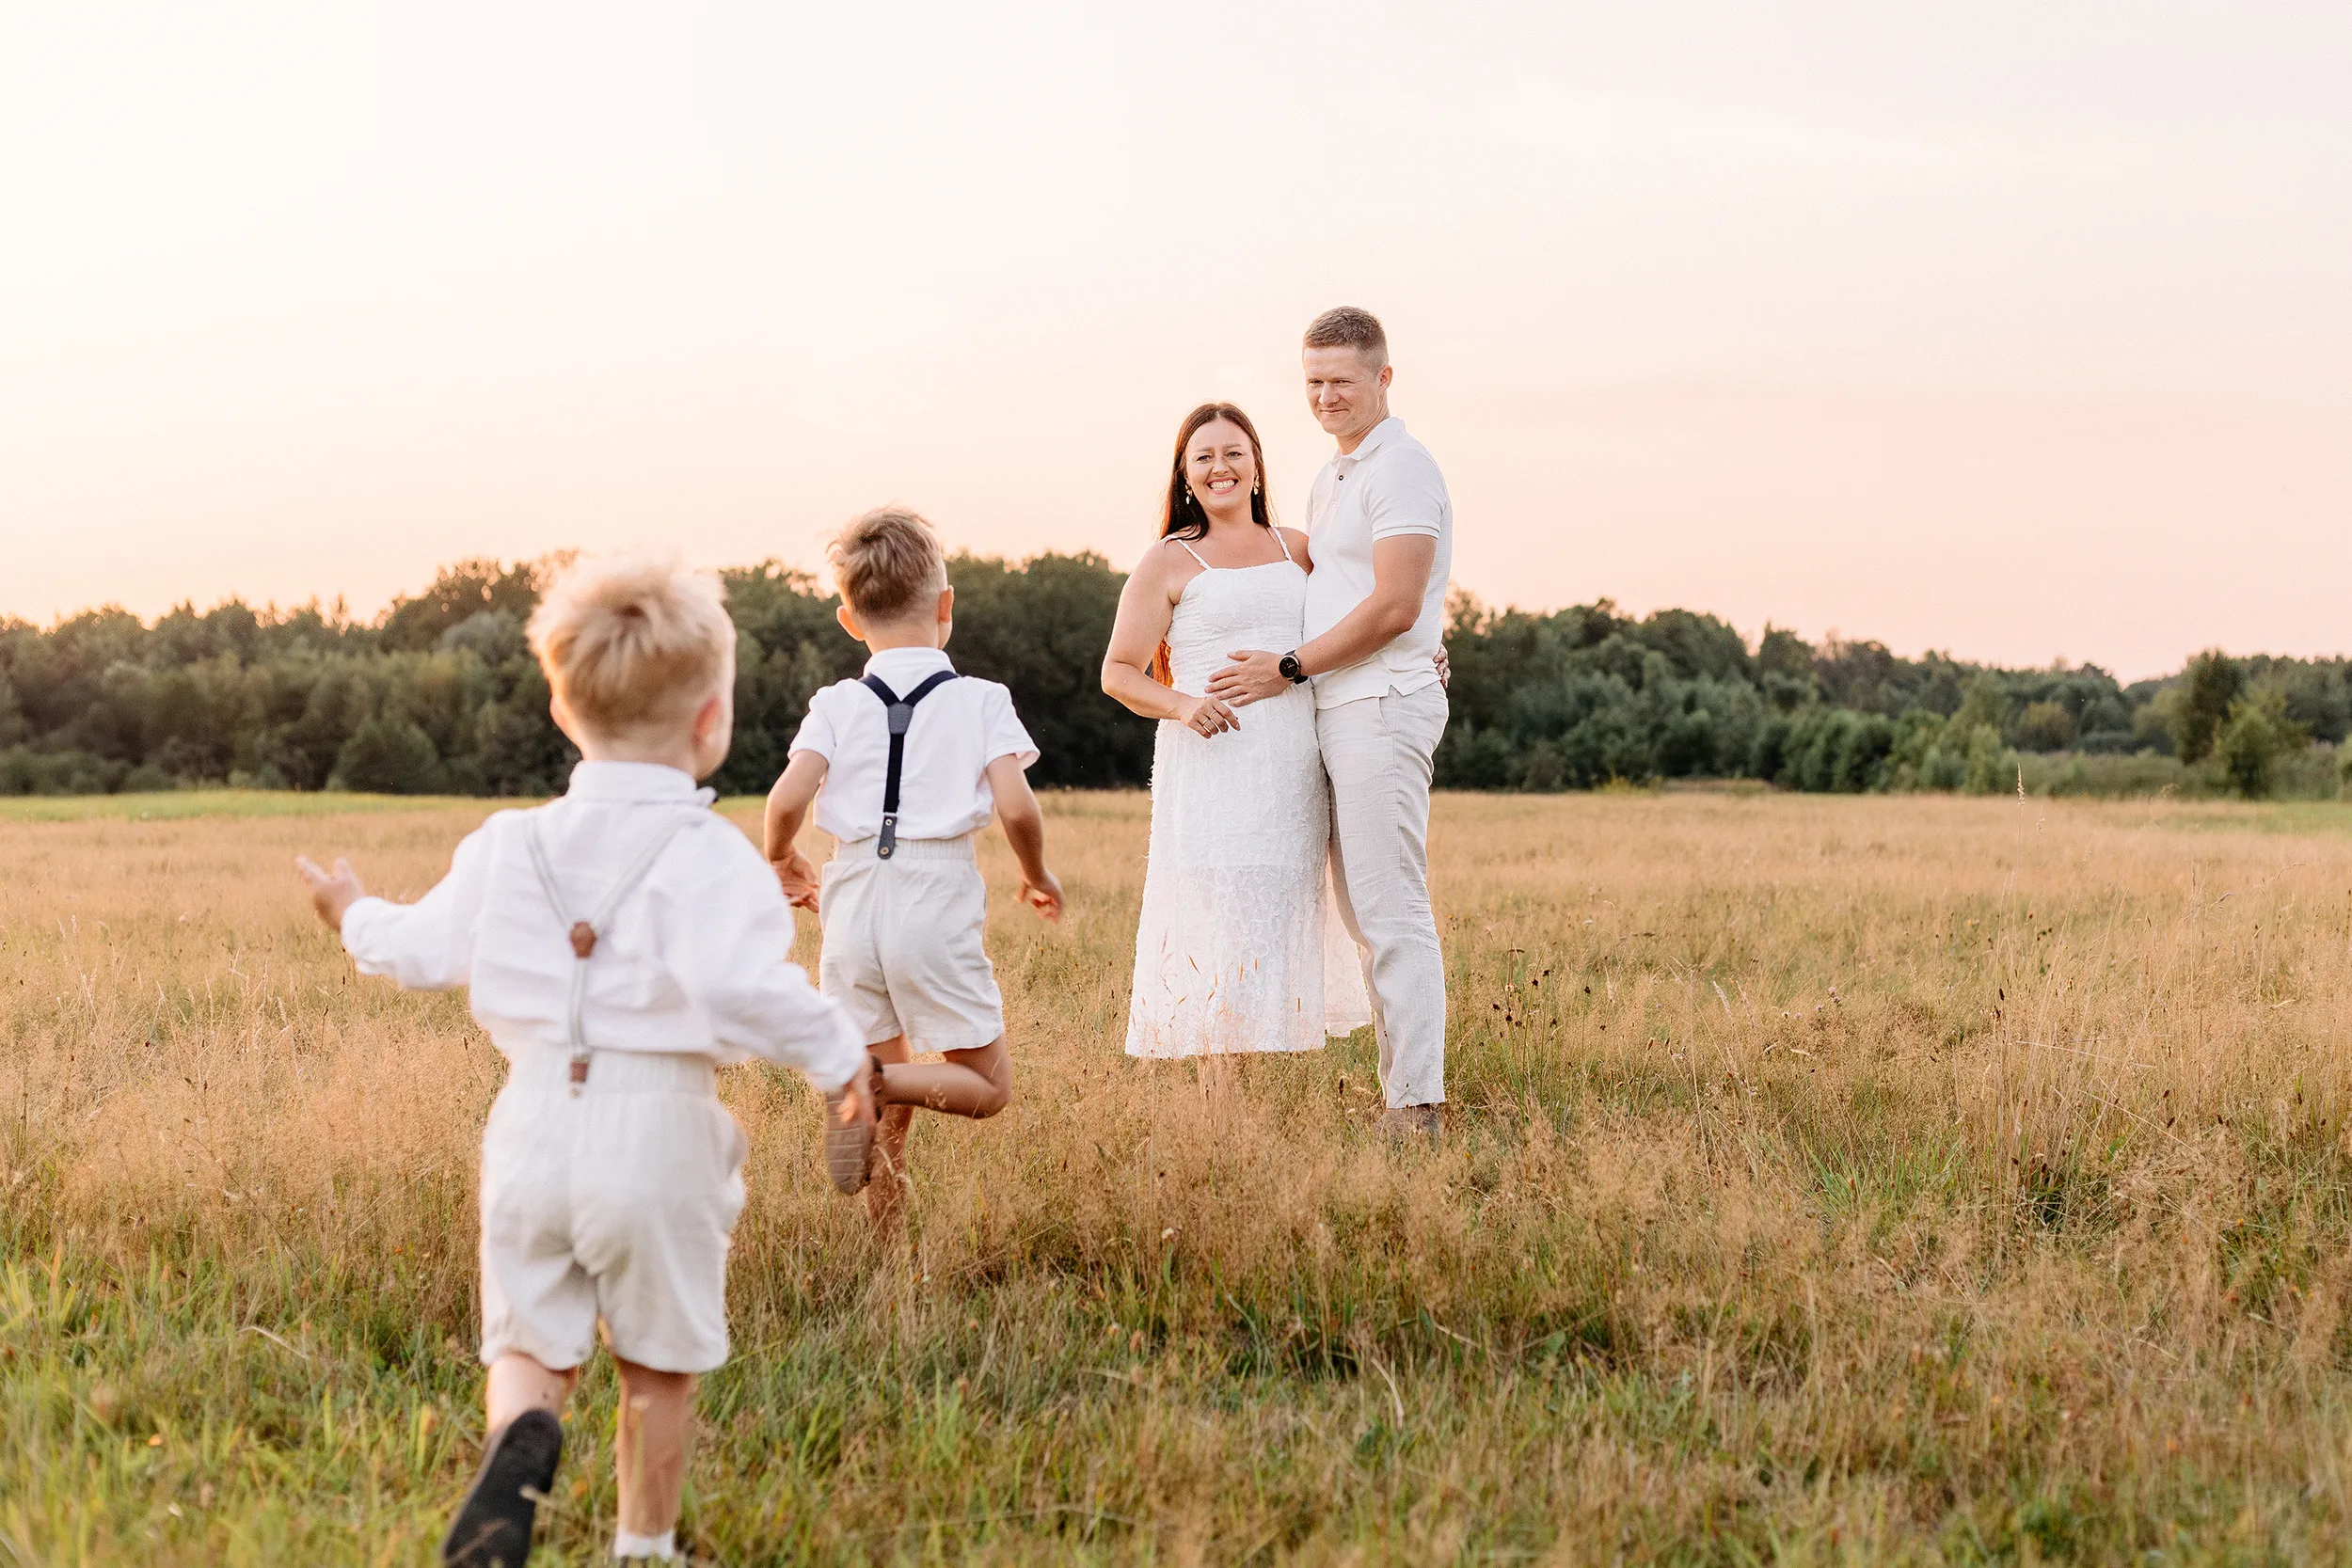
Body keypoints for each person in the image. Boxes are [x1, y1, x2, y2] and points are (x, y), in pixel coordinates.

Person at [294, 553, 875, 1567]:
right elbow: (746, 989)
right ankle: (642, 1547)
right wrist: (840, 1062)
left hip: (528, 1128)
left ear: (564, 713)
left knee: (526, 1341)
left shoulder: (507, 843)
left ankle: (521, 1443)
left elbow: (420, 948)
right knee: (657, 1364)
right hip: (658, 1133)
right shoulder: (710, 858)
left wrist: (351, 910)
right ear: (710, 721)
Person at [765, 507, 1062, 1227]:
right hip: (933, 895)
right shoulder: (981, 699)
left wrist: (781, 856)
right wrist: (1036, 872)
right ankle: (871, 1080)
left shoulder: (835, 703)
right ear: (946, 607)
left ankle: (884, 1243)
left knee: (892, 1108)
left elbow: (785, 798)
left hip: (852, 898)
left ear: (849, 620)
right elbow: (1018, 810)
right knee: (985, 1085)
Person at [1209, 308, 1454, 1135]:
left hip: (1381, 703)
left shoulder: (1404, 469)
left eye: (1341, 381)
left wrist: (1288, 667)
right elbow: (1347, 591)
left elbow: (1395, 601)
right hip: (1344, 703)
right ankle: (1402, 1090)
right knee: (1361, 910)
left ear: (1384, 379)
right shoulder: (1334, 475)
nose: (1325, 396)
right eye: (1312, 381)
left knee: (1390, 908)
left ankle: (1416, 1103)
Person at [1102, 403, 1370, 1061]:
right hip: (1211, 774)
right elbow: (1117, 673)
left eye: (1233, 453)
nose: (1220, 466)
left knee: (1280, 924)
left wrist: (1425, 654)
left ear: (1255, 466)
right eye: (1204, 457)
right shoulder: (1169, 558)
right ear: (1185, 477)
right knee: (1219, 930)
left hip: (1291, 769)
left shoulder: (1298, 549)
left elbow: (1362, 620)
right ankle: (1219, 1107)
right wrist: (1184, 704)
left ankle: (1266, 1103)